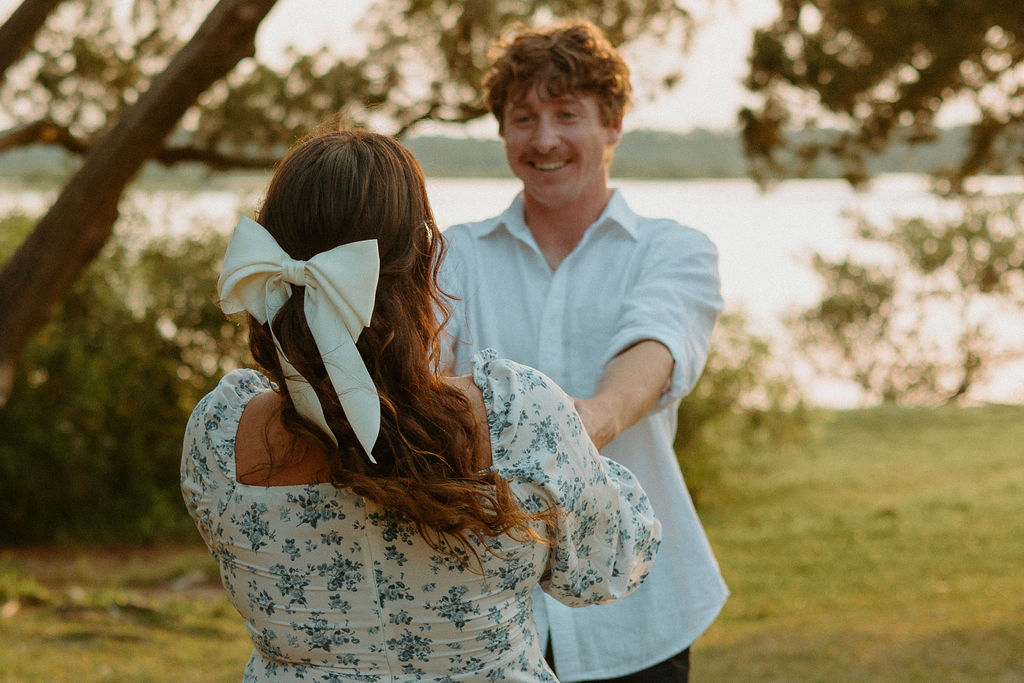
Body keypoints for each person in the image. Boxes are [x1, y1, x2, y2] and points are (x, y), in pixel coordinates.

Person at [180, 127, 662, 681]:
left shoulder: (222, 433)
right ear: (429, 258)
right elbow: (604, 570)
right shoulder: (518, 417)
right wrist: (580, 460)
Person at [440, 20, 728, 682]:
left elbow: (653, 351)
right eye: (523, 118)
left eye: (567, 114)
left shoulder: (673, 249)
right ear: (503, 132)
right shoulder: (454, 254)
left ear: (613, 124)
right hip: (485, 614)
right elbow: (420, 371)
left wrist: (587, 418)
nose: (544, 140)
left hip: (639, 612)